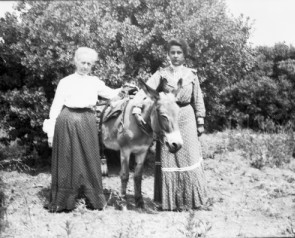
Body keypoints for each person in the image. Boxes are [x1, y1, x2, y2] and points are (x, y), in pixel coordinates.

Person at [43, 47, 123, 212]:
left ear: (92, 65)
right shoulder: (65, 82)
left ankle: (92, 198)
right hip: (67, 122)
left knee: (89, 158)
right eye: (82, 62)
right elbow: (56, 106)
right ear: (75, 61)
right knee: (67, 158)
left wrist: (125, 91)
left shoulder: (94, 82)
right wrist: (50, 132)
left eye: (89, 63)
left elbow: (111, 93)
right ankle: (64, 201)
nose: (85, 66)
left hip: (87, 121)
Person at [132, 38, 207, 211]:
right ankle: (169, 202)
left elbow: (198, 98)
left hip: (186, 118)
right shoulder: (161, 74)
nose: (175, 56)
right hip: (166, 120)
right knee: (168, 159)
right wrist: (136, 106)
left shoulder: (191, 75)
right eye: (172, 52)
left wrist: (200, 119)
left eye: (179, 53)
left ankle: (190, 201)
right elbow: (145, 89)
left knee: (189, 155)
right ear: (168, 54)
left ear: (184, 55)